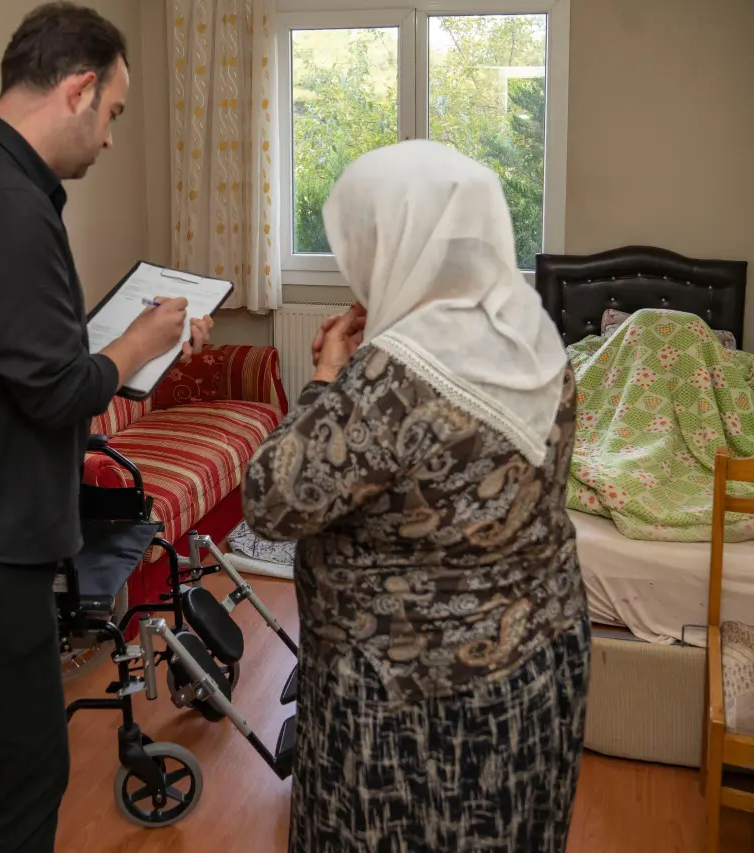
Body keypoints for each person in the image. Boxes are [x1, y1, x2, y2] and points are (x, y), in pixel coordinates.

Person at [0, 4, 211, 851]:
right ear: (79, 89)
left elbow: (29, 359)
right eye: (113, 113)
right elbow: (58, 390)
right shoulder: (0, 201)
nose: (109, 137)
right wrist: (137, 343)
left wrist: (144, 344)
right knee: (26, 773)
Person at [242, 140, 590, 853]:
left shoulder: (394, 377)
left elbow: (272, 499)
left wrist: (327, 379)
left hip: (407, 696)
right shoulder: (532, 338)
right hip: (534, 664)